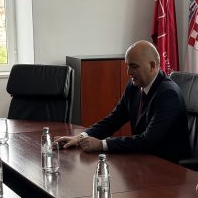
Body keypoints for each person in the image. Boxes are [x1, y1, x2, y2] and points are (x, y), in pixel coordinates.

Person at [56, 40, 189, 162]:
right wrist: (79, 138)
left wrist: (102, 144)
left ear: (152, 66)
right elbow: (113, 120)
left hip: (167, 166)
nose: (128, 72)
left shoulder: (168, 93)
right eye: (127, 66)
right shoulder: (134, 86)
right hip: (142, 160)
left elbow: (148, 140)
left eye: (134, 66)